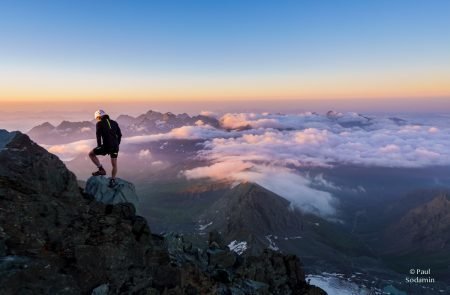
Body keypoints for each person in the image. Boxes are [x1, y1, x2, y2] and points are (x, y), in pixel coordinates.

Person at [88, 109, 122, 187]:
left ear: (99, 117)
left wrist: (99, 146)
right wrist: (117, 144)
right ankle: (113, 180)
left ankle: (101, 169)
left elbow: (98, 136)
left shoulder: (99, 124)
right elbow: (119, 135)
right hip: (115, 147)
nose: (97, 119)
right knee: (114, 164)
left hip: (106, 146)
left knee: (91, 154)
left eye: (97, 118)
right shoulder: (114, 122)